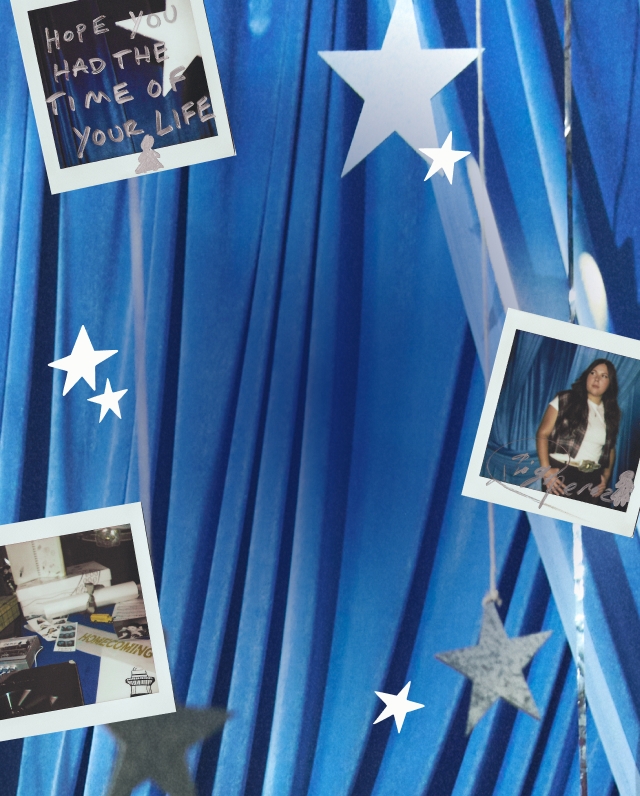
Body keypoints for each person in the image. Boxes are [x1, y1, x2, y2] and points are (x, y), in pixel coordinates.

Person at [536, 359, 621, 503]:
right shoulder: (565, 399)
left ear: (610, 383)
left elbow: (610, 448)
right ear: (586, 376)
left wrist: (606, 477)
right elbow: (542, 434)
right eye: (593, 373)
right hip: (561, 474)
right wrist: (545, 470)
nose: (597, 379)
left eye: (604, 376)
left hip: (592, 479)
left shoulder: (612, 413)